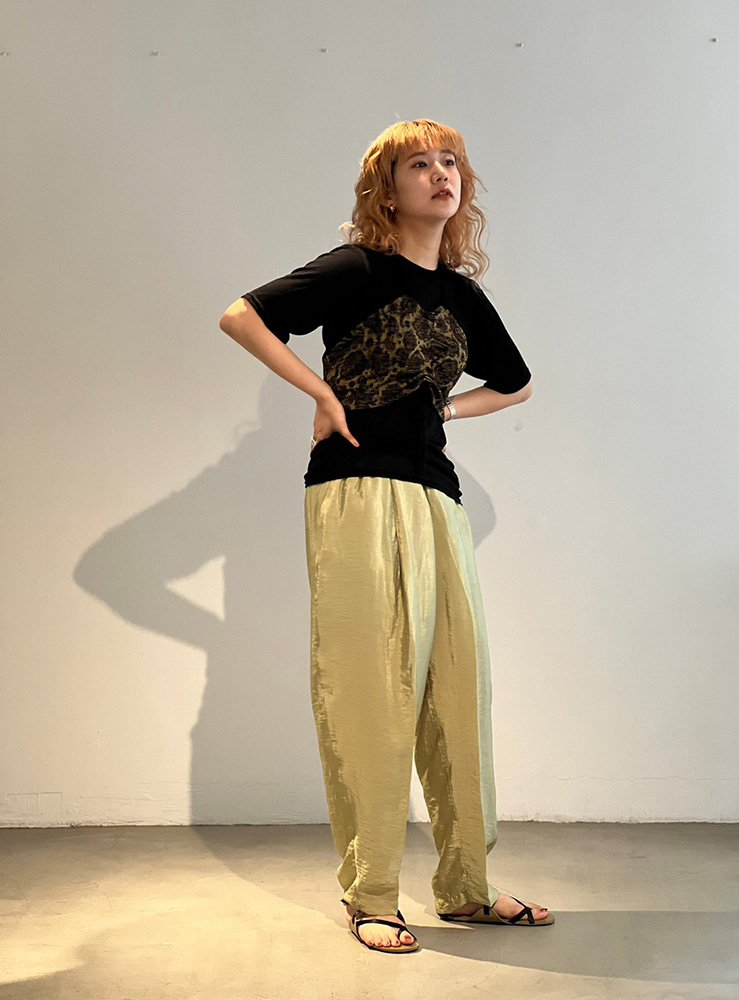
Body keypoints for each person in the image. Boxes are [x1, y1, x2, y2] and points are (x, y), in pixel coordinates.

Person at [219, 118, 554, 954]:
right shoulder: (355, 269)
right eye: (419, 164)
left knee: (457, 692)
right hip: (355, 489)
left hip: (437, 496)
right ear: (388, 189)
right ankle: (371, 893)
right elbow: (242, 316)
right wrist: (323, 396)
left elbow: (515, 383)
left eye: (450, 163)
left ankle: (467, 888)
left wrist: (444, 411)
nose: (441, 174)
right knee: (370, 693)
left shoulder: (463, 298)